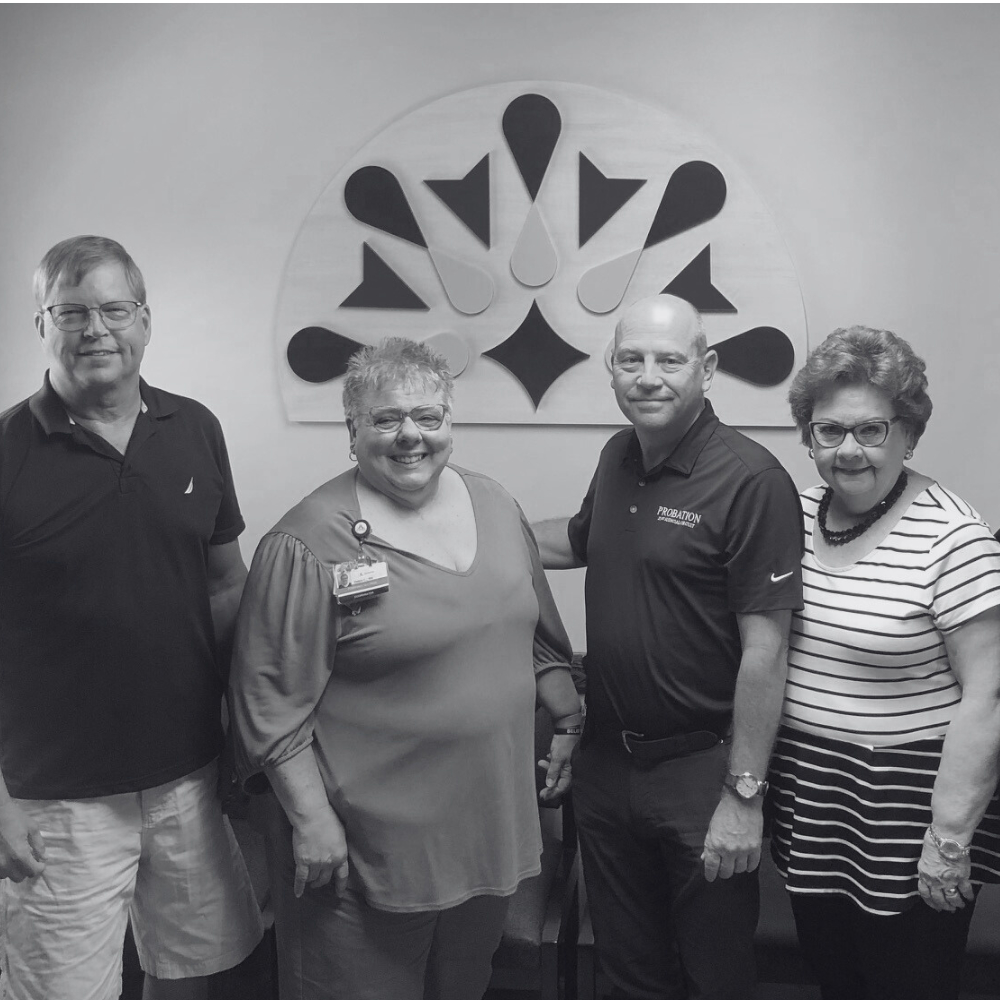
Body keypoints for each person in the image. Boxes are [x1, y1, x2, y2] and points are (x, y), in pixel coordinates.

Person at [228, 337, 583, 1000]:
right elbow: (268, 703)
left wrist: (566, 720)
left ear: (451, 421)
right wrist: (311, 821)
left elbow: (530, 630)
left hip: (484, 833)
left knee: (463, 986)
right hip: (364, 852)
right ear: (352, 430)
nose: (409, 436)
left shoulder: (495, 506)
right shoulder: (308, 543)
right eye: (386, 419)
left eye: (429, 417)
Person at [0, 236, 263, 1000]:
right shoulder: (6, 451)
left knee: (194, 973)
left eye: (115, 309)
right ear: (40, 325)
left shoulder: (195, 429)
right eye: (71, 312)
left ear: (146, 320)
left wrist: (247, 728)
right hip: (55, 796)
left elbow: (224, 587)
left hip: (187, 775)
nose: (96, 330)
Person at [533, 293, 803, 1000]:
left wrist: (745, 795)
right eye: (631, 359)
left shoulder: (751, 480)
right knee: (626, 973)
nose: (647, 376)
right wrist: (470, 526)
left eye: (669, 360)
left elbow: (767, 651)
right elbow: (582, 539)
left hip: (701, 772)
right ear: (611, 368)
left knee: (712, 976)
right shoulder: (619, 454)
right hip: (608, 766)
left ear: (706, 369)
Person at [767, 326, 1000, 1000]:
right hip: (816, 799)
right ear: (808, 436)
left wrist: (949, 839)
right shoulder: (792, 513)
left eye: (870, 430)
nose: (848, 451)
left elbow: (988, 697)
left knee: (909, 983)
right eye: (828, 431)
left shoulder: (954, 538)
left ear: (909, 433)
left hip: (906, 811)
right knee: (834, 978)